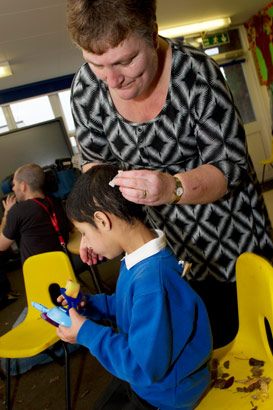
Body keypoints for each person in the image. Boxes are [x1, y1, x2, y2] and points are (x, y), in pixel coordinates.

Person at [66, 0, 273, 348]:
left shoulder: (196, 74)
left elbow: (229, 167)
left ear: (153, 35)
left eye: (125, 60)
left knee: (253, 347)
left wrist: (173, 188)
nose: (112, 80)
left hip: (230, 243)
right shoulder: (88, 88)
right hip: (160, 256)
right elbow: (96, 171)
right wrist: (93, 227)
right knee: (193, 352)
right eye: (96, 63)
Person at [57, 164, 212, 410]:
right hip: (157, 381)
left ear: (102, 220)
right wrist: (92, 305)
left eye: (84, 233)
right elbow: (130, 306)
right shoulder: (139, 258)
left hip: (166, 395)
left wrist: (85, 332)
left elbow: (142, 367)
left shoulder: (152, 280)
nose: (85, 243)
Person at [0, 163, 75, 375]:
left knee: (8, 363)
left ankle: (74, 343)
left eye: (14, 185)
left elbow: (1, 245)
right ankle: (73, 333)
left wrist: (7, 214)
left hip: (42, 297)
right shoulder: (55, 203)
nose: (12, 189)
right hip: (66, 286)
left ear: (23, 186)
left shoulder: (19, 211)